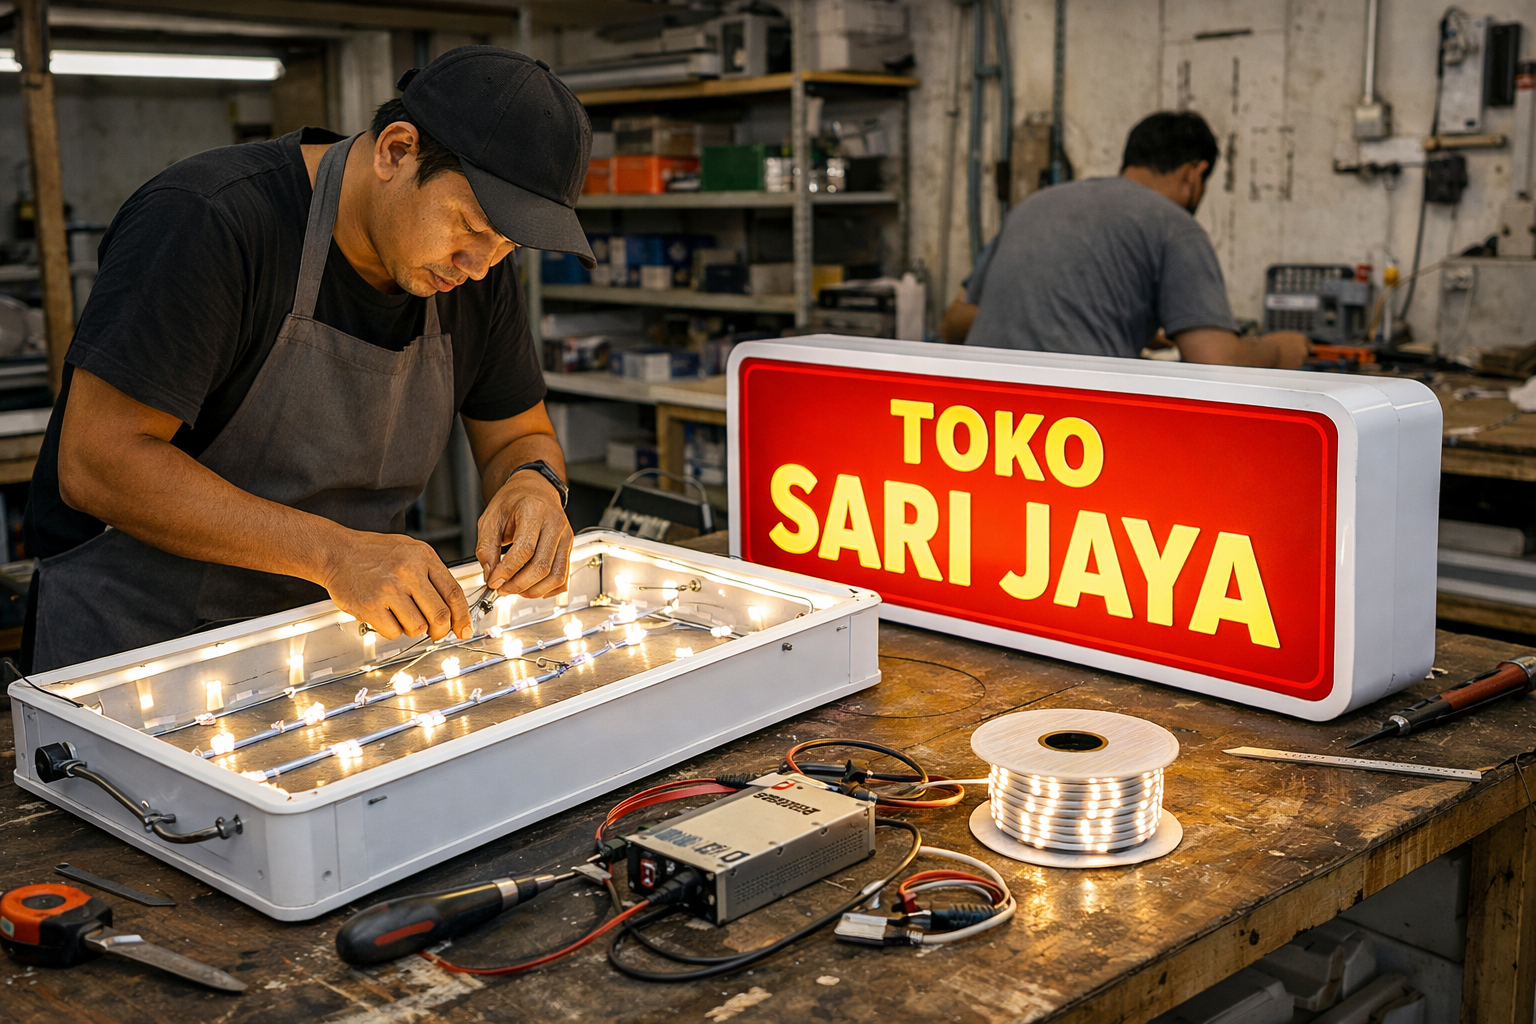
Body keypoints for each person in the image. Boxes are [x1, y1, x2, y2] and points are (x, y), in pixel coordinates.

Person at [23, 46, 595, 673]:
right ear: (396, 151)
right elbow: (98, 461)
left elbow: (518, 434)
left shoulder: (474, 273)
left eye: (507, 244)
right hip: (142, 645)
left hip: (333, 638)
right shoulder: (207, 220)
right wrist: (334, 554)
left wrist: (534, 483)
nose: (480, 265)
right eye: (470, 225)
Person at [941, 111, 1309, 368]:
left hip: (985, 423)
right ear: (1193, 175)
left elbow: (953, 324)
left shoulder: (1033, 206)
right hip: (1077, 431)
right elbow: (1217, 363)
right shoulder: (1174, 226)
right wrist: (1279, 350)